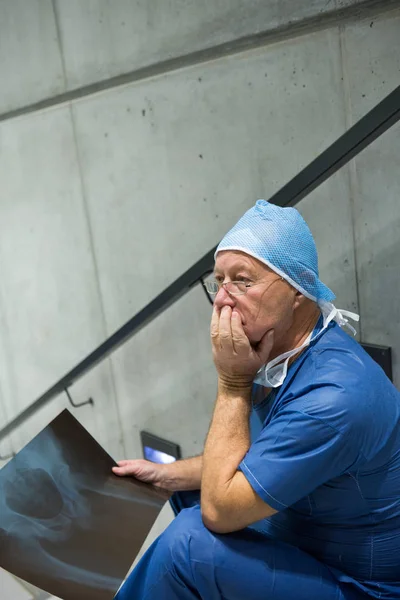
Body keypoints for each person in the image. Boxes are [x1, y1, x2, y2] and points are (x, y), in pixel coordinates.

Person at [113, 200, 400, 599]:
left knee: (190, 544)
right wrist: (170, 474)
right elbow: (258, 457)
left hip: (361, 588)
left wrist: (232, 383)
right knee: (188, 491)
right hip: (310, 544)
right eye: (218, 281)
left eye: (243, 281)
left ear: (298, 288)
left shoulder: (336, 396)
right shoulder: (279, 354)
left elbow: (219, 512)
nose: (222, 299)